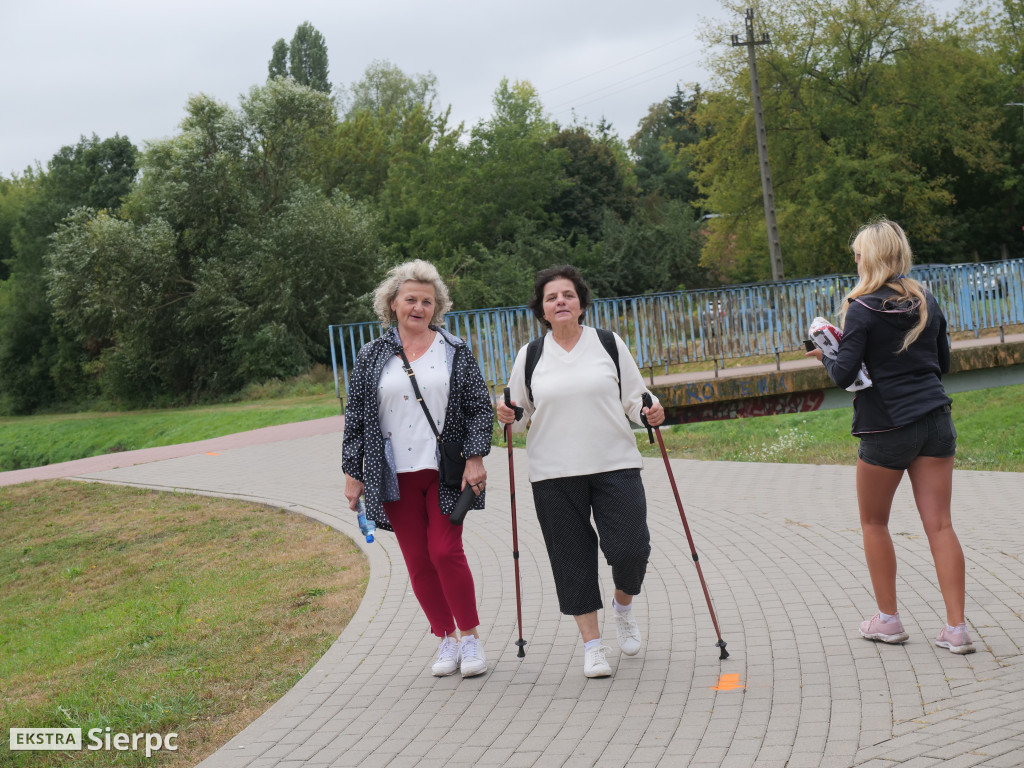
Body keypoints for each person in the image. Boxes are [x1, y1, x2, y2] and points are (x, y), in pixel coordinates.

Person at [806, 219, 974, 654]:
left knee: (874, 522)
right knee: (940, 524)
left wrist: (828, 354)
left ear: (873, 258)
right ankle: (956, 630)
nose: (855, 260)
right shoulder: (926, 300)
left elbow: (845, 375)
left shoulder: (860, 307)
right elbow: (943, 363)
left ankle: (888, 620)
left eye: (858, 254)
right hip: (935, 419)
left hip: (885, 428)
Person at [496, 265, 666, 677]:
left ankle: (623, 607)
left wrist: (651, 412)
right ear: (542, 309)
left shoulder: (607, 344)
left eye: (568, 295)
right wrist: (505, 414)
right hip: (554, 472)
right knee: (571, 560)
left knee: (631, 548)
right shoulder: (530, 355)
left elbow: (635, 398)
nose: (560, 302)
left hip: (615, 464)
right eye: (552, 297)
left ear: (581, 303)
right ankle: (592, 645)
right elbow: (517, 417)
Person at [342, 260, 495, 676]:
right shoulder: (372, 355)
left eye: (428, 301)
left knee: (444, 551)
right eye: (411, 299)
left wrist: (476, 457)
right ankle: (445, 638)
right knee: (418, 561)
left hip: (445, 472)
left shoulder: (454, 350)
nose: (419, 307)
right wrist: (352, 473)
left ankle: (471, 638)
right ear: (392, 304)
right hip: (393, 475)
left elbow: (480, 409)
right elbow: (356, 418)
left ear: (437, 307)